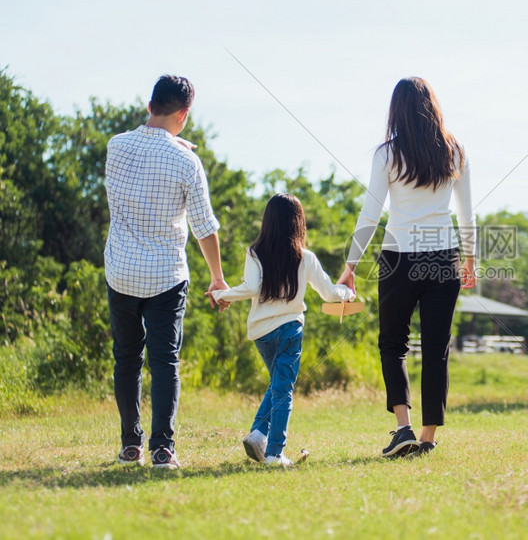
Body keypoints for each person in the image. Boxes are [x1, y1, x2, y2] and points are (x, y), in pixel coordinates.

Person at [338, 77, 477, 458]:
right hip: (443, 256)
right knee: (436, 349)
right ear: (433, 106)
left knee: (393, 344)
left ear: (395, 110)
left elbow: (370, 213)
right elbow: (466, 214)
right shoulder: (455, 151)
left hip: (399, 257)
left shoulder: (386, 154)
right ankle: (428, 438)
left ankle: (403, 429)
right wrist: (470, 259)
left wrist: (350, 265)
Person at [105, 75, 227, 469]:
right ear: (185, 114)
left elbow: (146, 151)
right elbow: (203, 227)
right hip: (164, 276)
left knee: (126, 358)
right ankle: (162, 448)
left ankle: (130, 445)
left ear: (149, 104)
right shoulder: (186, 161)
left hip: (121, 272)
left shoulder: (116, 147)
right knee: (164, 362)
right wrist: (217, 278)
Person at [209, 193, 355, 467]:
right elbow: (329, 294)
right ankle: (275, 453)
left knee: (278, 385)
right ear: (298, 223)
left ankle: (257, 434)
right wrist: (347, 291)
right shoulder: (305, 257)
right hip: (289, 329)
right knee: (283, 389)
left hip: (261, 334)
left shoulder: (254, 252)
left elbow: (251, 287)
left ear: (267, 222)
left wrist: (222, 295)